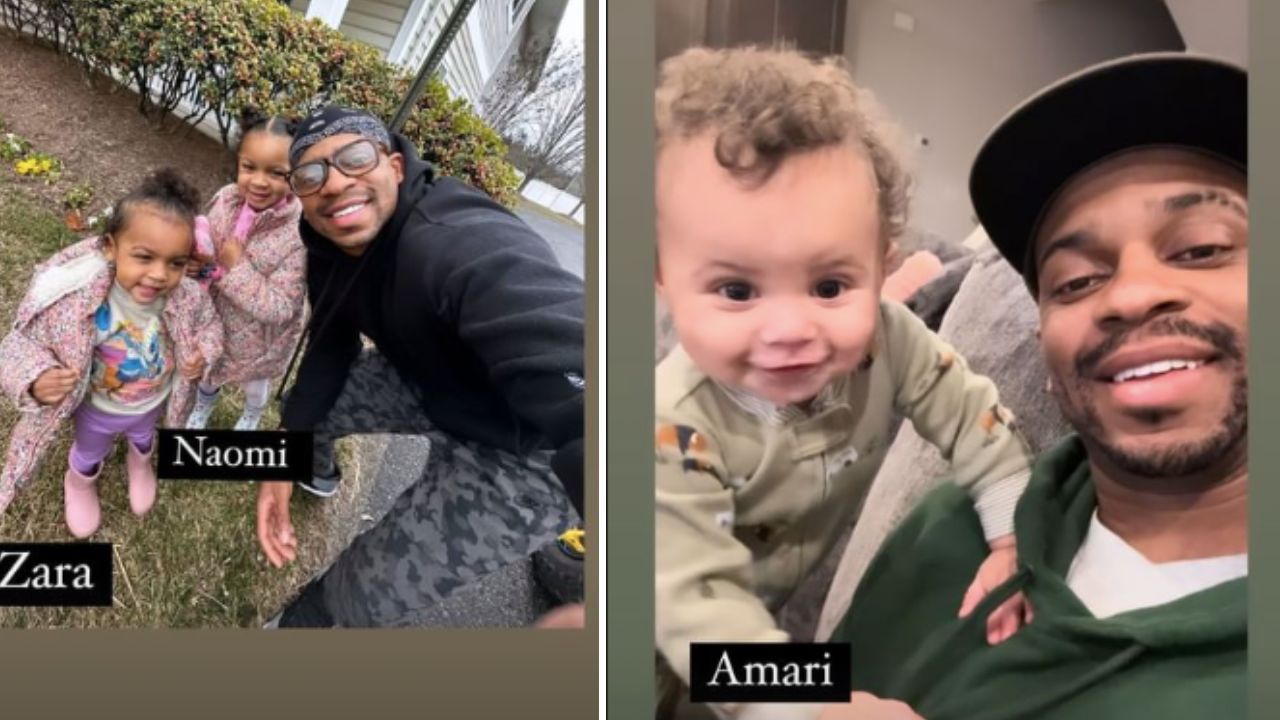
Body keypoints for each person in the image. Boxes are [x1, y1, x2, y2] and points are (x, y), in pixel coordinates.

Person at [832, 52, 1247, 720]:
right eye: (1077, 281)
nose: (1133, 295)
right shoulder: (952, 528)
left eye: (1200, 249)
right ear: (1047, 363)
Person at [653, 47, 1036, 720]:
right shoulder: (668, 426)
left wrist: (1012, 527)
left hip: (759, 622)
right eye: (737, 290)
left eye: (830, 285)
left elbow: (968, 409)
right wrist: (815, 705)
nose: (790, 328)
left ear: (882, 266)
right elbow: (697, 613)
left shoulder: (890, 337)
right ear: (664, 279)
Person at [257, 106, 585, 627]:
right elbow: (330, 342)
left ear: (396, 166)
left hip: (523, 456)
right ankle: (314, 472)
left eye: (354, 159)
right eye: (311, 174)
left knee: (368, 590)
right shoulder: (327, 240)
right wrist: (282, 452)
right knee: (307, 410)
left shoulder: (456, 242)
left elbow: (571, 353)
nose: (335, 183)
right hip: (426, 378)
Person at [0, 169, 223, 537]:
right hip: (97, 410)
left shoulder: (188, 298)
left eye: (176, 263)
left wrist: (203, 352)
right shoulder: (73, 302)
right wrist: (36, 378)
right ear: (109, 247)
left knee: (144, 438)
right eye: (144, 257)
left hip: (152, 403)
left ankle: (140, 464)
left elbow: (211, 327)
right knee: (90, 452)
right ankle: (80, 482)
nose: (158, 274)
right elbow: (16, 346)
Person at [185, 108, 307, 431]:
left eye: (277, 173)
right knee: (209, 375)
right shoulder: (225, 200)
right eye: (249, 167)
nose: (259, 182)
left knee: (254, 387)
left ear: (296, 174)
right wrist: (195, 260)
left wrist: (233, 268)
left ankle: (252, 414)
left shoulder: (297, 234)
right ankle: (203, 405)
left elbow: (282, 307)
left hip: (260, 341)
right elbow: (205, 257)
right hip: (214, 324)